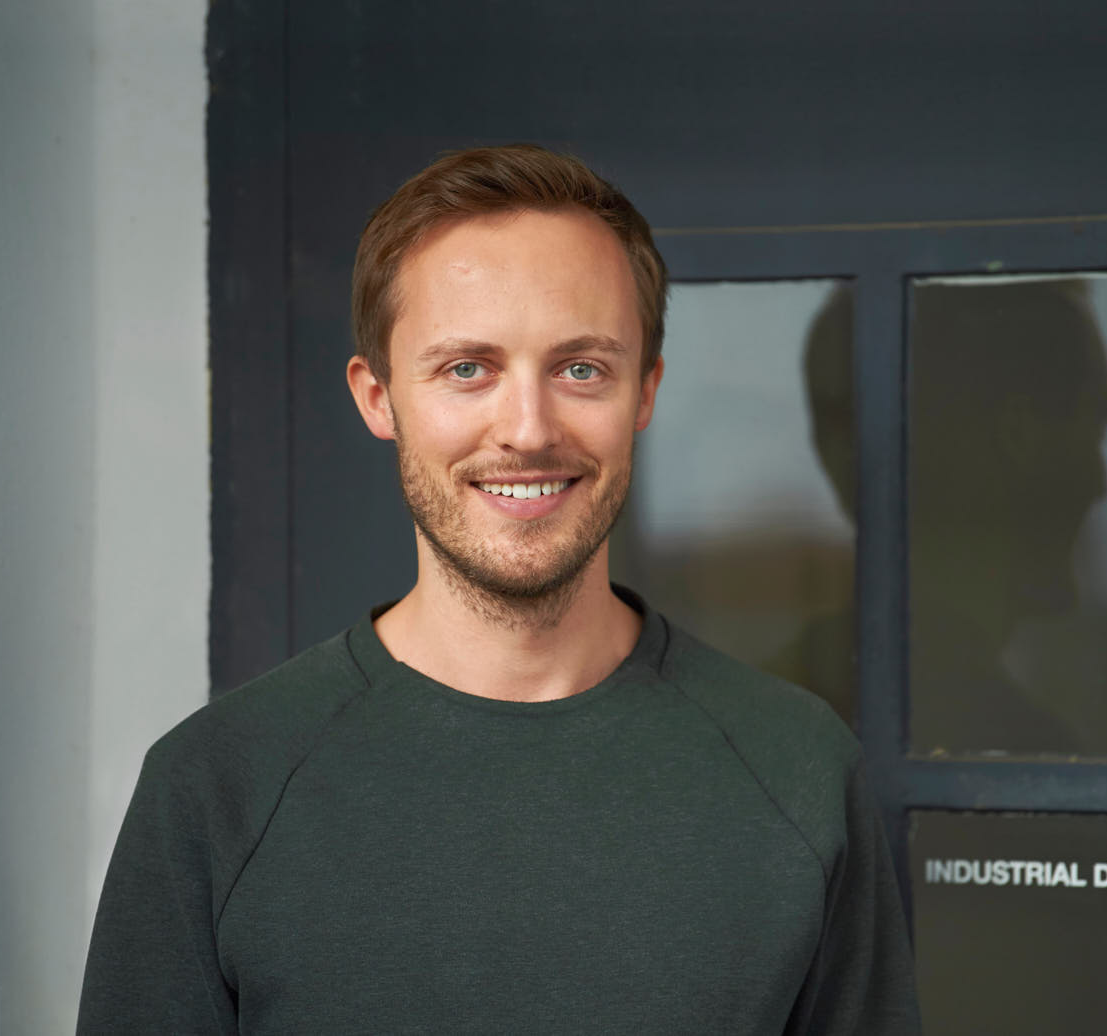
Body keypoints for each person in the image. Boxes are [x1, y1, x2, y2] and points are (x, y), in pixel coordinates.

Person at [77, 145, 921, 1035]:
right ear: (379, 397)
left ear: (644, 393)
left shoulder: (799, 770)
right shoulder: (213, 788)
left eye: (582, 368)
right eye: (467, 369)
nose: (527, 430)